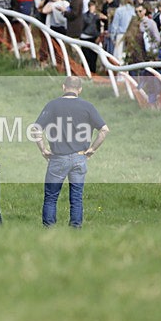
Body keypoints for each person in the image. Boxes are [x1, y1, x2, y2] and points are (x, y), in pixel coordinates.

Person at [33, 76, 110, 229]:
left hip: (58, 158)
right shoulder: (88, 106)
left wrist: (43, 149)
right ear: (80, 89)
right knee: (76, 197)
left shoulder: (53, 105)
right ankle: (75, 228)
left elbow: (36, 129)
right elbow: (104, 130)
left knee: (51, 197)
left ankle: (49, 229)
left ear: (63, 87)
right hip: (80, 157)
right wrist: (92, 149)